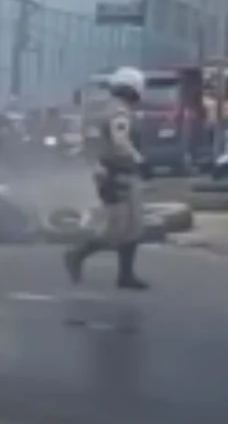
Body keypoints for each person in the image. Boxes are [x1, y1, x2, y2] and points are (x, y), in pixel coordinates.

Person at [65, 66, 150, 290]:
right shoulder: (119, 111)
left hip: (109, 171)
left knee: (133, 226)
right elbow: (120, 140)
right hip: (118, 171)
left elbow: (89, 143)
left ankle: (126, 275)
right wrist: (140, 160)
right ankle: (78, 254)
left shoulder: (102, 108)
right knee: (118, 228)